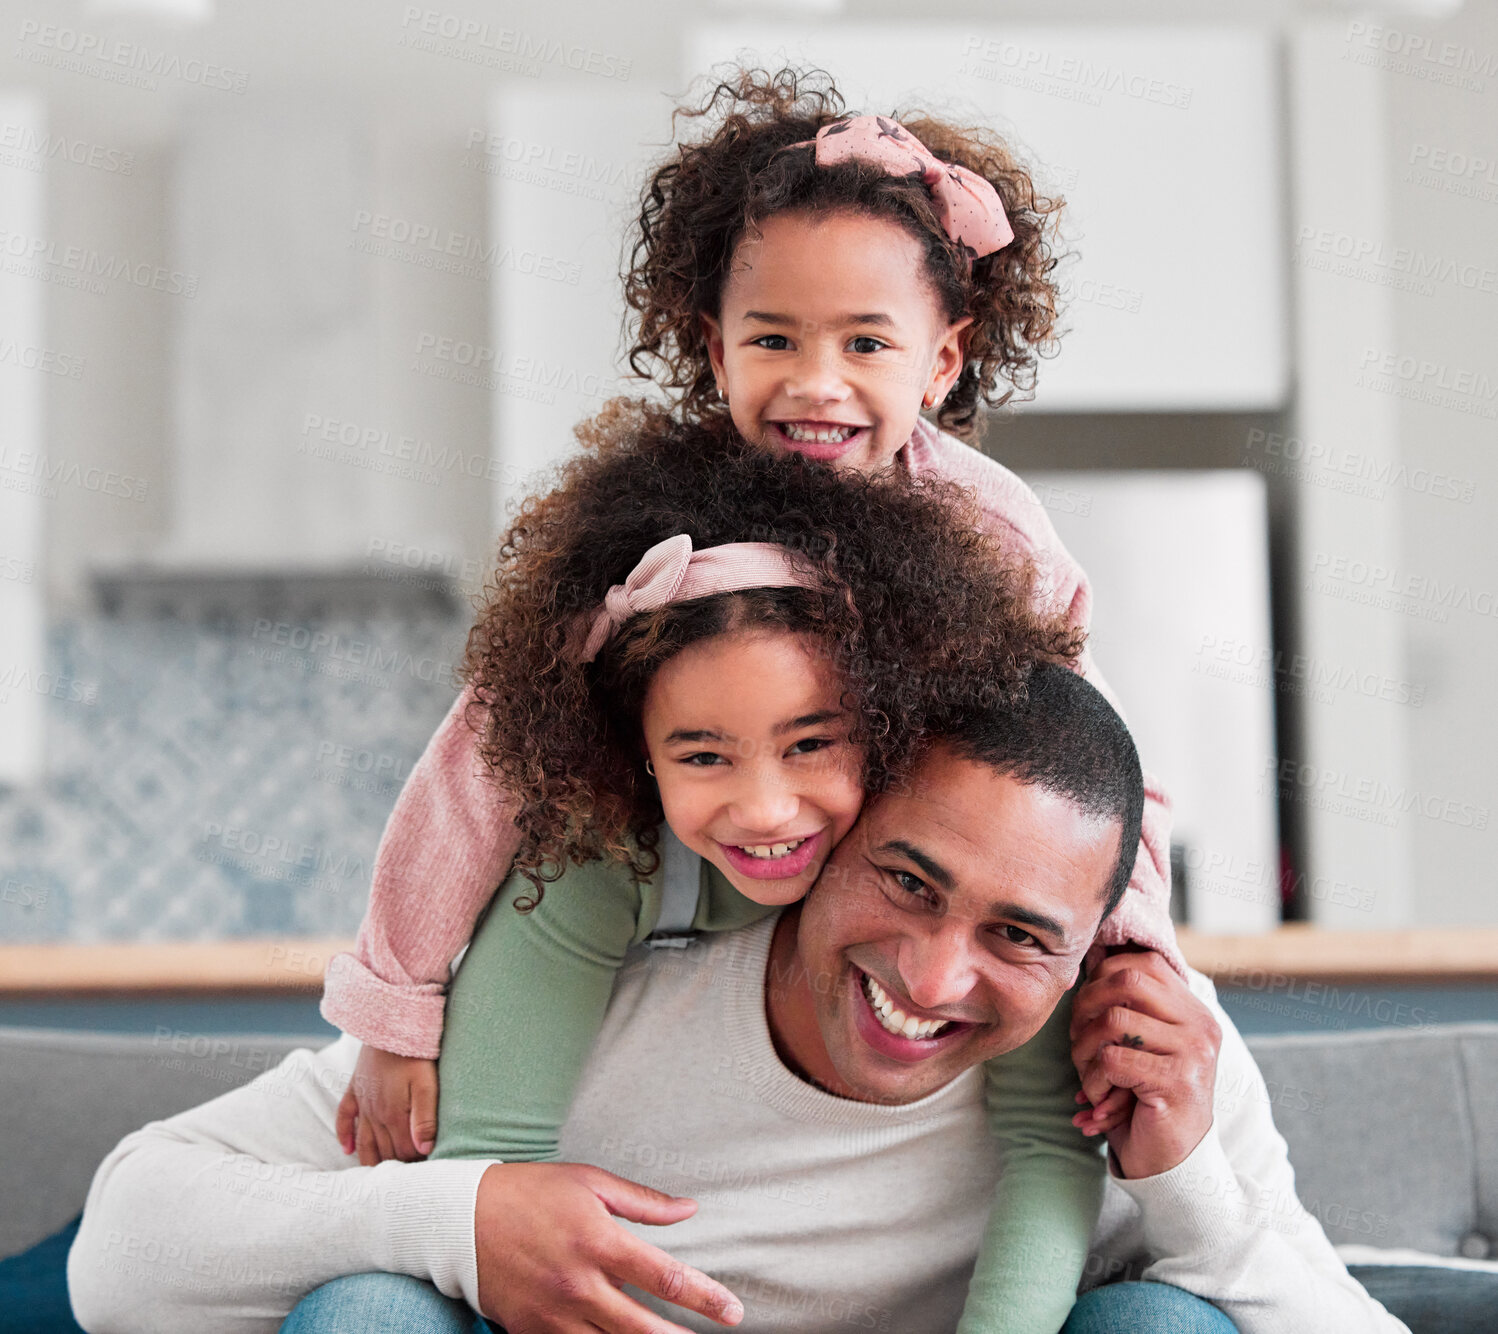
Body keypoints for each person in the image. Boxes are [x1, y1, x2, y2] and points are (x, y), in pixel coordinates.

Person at [323, 67, 1184, 1332]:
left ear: (942, 361)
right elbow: (480, 761)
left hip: (895, 869)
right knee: (548, 932)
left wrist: (1126, 940)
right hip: (648, 860)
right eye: (773, 338)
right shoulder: (643, 524)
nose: (815, 383)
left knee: (1027, 998)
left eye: (866, 344)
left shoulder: (995, 533)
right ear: (711, 344)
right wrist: (398, 1003)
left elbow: (1093, 761)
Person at [66, 666, 1408, 1334]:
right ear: (820, 837)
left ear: (1091, 942)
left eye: (1015, 934)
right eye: (905, 878)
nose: (933, 980)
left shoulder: (1138, 1056)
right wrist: (459, 1215)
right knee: (371, 1303)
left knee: (1168, 1321)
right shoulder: (589, 1008)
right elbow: (122, 1247)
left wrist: (1184, 1189)